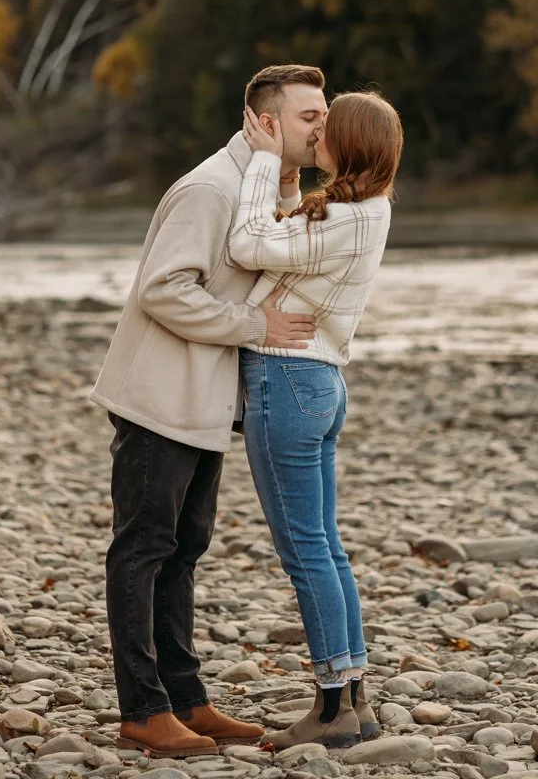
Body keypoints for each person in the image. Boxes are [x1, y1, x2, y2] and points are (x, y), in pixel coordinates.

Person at [89, 65, 331, 758]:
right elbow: (164, 288)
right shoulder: (209, 189)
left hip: (204, 400)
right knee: (143, 550)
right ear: (265, 122)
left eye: (324, 114)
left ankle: (187, 700)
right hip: (159, 397)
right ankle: (143, 710)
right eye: (309, 116)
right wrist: (255, 326)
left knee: (185, 549)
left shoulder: (265, 188)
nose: (323, 127)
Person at [227, 92, 404, 749]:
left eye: (329, 125)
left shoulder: (348, 219)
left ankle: (331, 711)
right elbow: (285, 239)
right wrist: (284, 177)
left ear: (350, 143)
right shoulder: (364, 210)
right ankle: (354, 697)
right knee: (325, 547)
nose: (318, 130)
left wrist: (261, 161)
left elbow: (249, 242)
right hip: (318, 383)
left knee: (306, 552)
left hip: (289, 380)